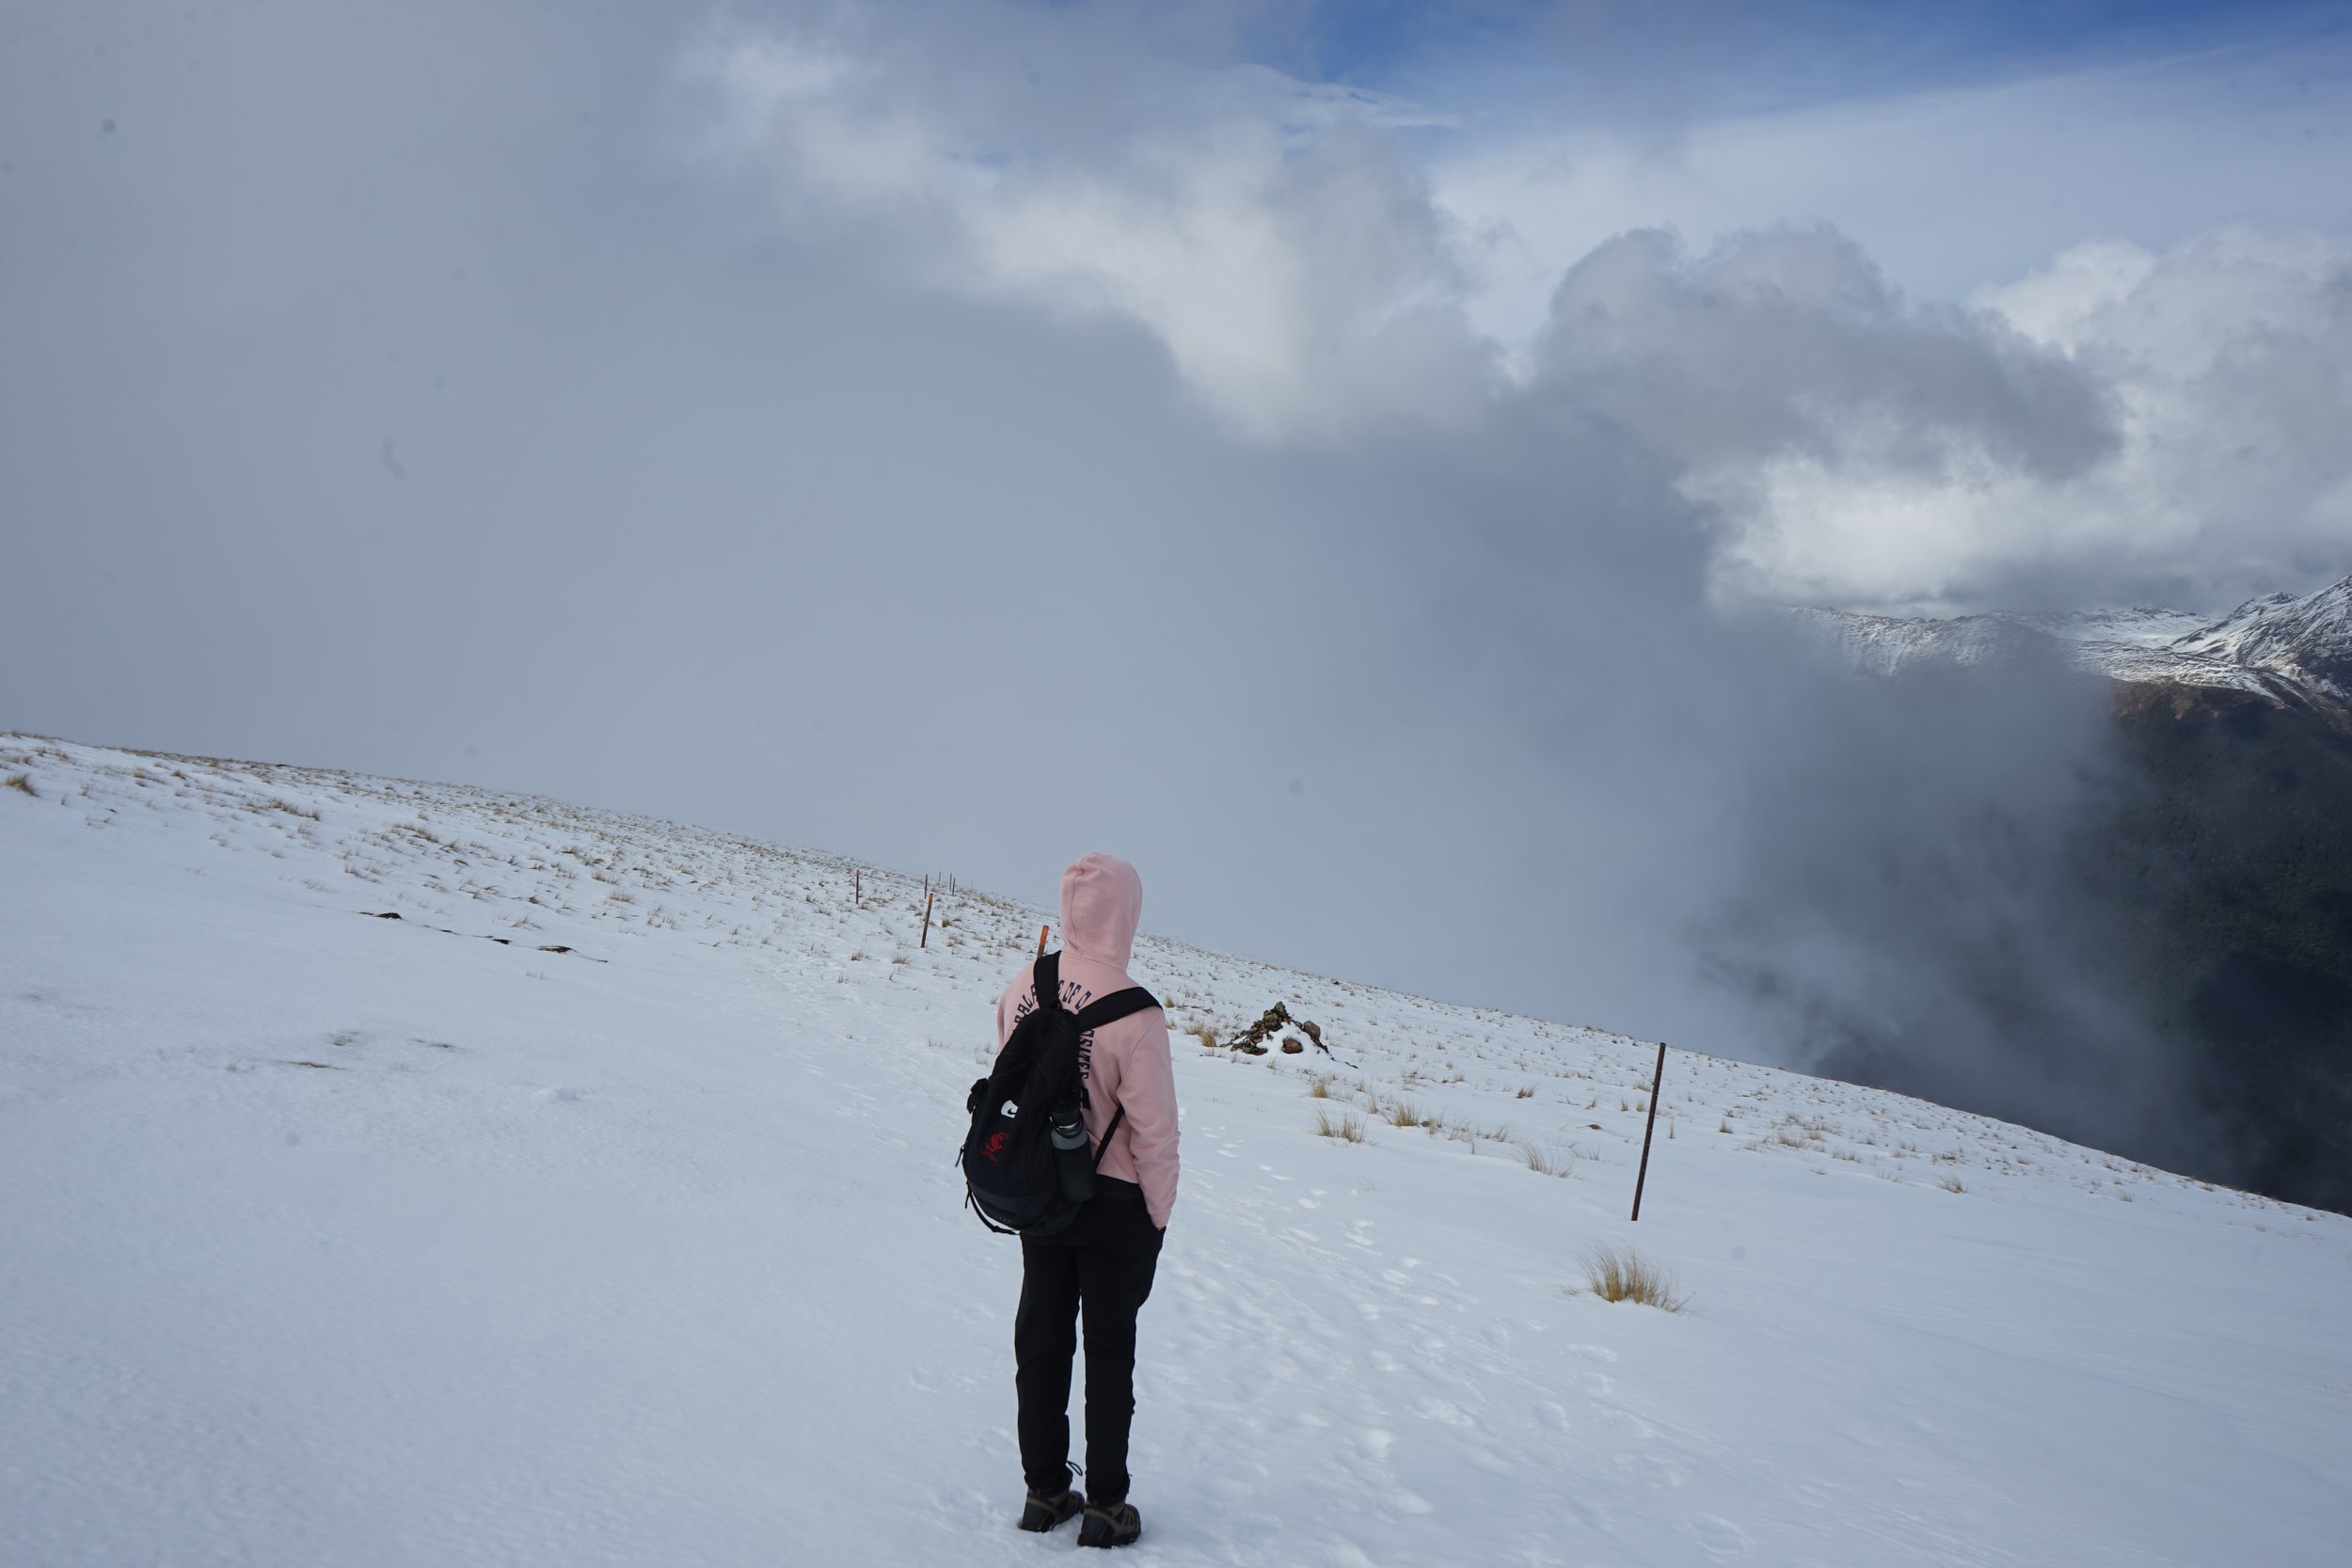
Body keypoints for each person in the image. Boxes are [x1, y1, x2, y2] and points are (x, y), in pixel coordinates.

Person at [997, 853, 1180, 1549]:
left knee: (1041, 1334)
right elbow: (1156, 1136)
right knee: (1108, 1350)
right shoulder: (1137, 1013)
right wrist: (1157, 1218)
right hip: (1114, 1205)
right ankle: (1106, 1507)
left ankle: (1044, 1490)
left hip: (1041, 1193)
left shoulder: (1024, 985)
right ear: (1125, 913)